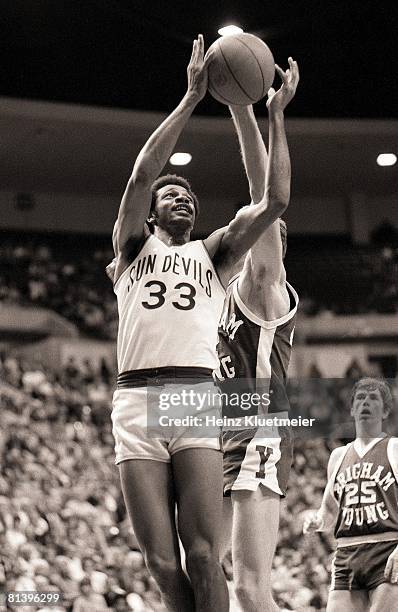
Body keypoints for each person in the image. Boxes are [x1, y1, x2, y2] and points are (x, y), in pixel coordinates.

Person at [110, 35, 291, 612]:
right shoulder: (131, 252)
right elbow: (141, 176)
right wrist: (191, 99)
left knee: (207, 557)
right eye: (171, 195)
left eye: (188, 194)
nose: (180, 197)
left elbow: (275, 202)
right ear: (153, 213)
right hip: (136, 400)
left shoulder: (212, 257)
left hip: (192, 396)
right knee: (162, 564)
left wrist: (274, 117)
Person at [215, 58, 300, 611]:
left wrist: (254, 113)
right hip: (228, 437)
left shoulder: (266, 290)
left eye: (269, 231)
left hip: (261, 432)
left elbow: (265, 196)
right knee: (204, 566)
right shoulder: (225, 295)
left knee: (249, 587)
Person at [303, 378, 398, 611]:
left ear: (385, 411)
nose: (366, 402)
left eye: (373, 398)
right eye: (360, 398)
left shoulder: (394, 448)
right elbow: (330, 511)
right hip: (347, 554)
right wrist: (317, 520)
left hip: (386, 548)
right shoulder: (338, 456)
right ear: (352, 409)